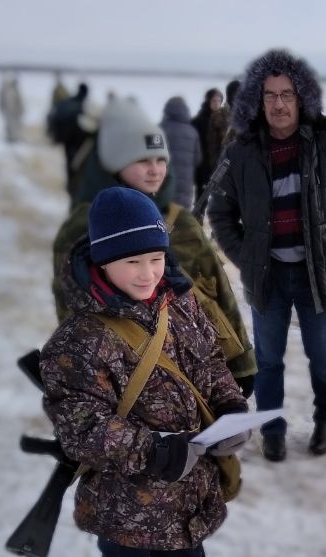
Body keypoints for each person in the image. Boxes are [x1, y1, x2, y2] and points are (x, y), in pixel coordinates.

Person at [39, 187, 249, 557]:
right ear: (103, 260)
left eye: (155, 258)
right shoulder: (78, 341)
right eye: (132, 261)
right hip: (126, 500)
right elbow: (81, 426)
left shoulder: (180, 304)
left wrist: (231, 411)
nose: (147, 273)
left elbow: (213, 368)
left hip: (189, 484)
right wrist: (153, 450)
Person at [207, 49, 326, 462]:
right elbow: (219, 210)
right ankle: (273, 428)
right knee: (267, 361)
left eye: (287, 95)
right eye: (269, 96)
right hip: (267, 275)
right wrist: (245, 256)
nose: (278, 104)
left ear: (303, 99)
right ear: (257, 102)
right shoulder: (240, 153)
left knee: (323, 357)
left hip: (318, 273)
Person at [51, 95, 256, 390]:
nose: (155, 169)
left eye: (161, 160)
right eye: (142, 160)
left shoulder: (180, 219)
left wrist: (242, 364)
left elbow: (220, 292)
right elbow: (70, 310)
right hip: (128, 377)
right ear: (113, 164)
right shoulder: (84, 227)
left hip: (203, 369)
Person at [159, 96, 200, 209]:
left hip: (164, 183)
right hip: (185, 188)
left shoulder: (160, 129)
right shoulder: (192, 132)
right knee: (181, 221)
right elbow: (197, 159)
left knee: (162, 221)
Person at [191, 87, 223, 199]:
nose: (217, 104)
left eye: (219, 101)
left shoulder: (224, 119)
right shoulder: (199, 120)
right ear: (208, 101)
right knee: (201, 193)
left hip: (218, 161)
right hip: (202, 161)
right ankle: (198, 214)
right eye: (214, 100)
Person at [0, 73, 24, 143]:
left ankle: (13, 138)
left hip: (15, 112)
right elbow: (2, 102)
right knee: (9, 125)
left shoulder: (15, 91)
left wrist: (20, 110)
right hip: (9, 112)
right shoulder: (7, 91)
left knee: (14, 126)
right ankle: (9, 138)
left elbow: (19, 102)